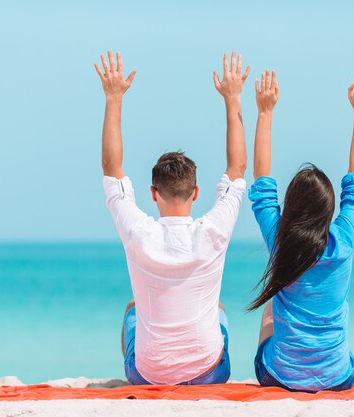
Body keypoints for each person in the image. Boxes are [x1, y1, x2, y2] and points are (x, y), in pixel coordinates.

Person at [94, 51, 250, 385]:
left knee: (132, 311)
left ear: (153, 193)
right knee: (219, 312)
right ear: (196, 192)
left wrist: (113, 98)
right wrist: (232, 98)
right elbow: (237, 169)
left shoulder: (138, 232)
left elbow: (111, 170)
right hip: (209, 373)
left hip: (147, 375)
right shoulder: (213, 232)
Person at [248, 69, 354, 392]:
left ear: (289, 207)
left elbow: (262, 185)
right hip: (339, 378)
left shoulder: (280, 239)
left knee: (268, 310)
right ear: (329, 210)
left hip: (278, 377)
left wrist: (265, 112)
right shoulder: (343, 239)